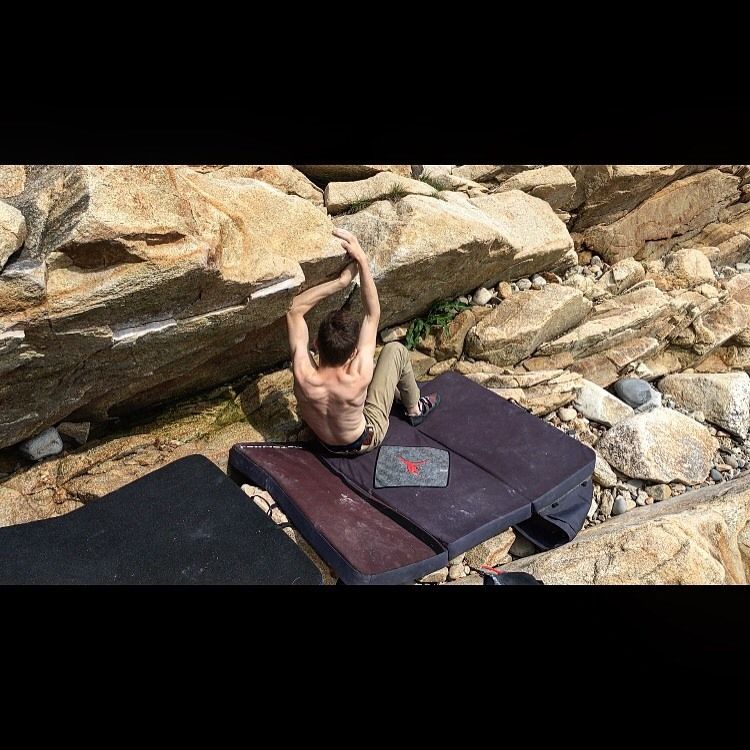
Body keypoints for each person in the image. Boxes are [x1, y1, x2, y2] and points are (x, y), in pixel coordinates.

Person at [285, 228, 441, 456]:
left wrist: (339, 282)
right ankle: (414, 408)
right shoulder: (359, 372)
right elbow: (372, 314)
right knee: (395, 350)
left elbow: (294, 310)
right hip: (363, 440)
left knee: (373, 377)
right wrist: (362, 261)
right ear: (353, 354)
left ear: (316, 343)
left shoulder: (302, 372)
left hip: (324, 442)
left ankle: (397, 397)